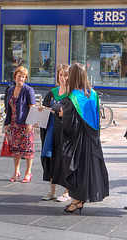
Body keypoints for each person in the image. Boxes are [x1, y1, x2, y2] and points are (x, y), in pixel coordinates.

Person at [54, 63, 109, 212]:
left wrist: (61, 114)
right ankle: (80, 199)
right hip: (92, 140)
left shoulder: (73, 97)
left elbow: (70, 125)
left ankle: (77, 201)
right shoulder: (93, 94)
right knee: (88, 170)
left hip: (78, 141)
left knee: (77, 169)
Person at [39, 64, 71, 202]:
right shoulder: (52, 93)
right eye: (60, 75)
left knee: (65, 160)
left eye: (65, 75)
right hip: (51, 131)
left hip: (64, 133)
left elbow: (72, 114)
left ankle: (67, 192)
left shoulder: (72, 94)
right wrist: (42, 110)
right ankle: (52, 191)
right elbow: (46, 110)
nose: (62, 78)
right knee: (50, 159)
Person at [4, 66, 36, 183]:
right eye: (19, 76)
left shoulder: (28, 90)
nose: (21, 79)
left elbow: (32, 108)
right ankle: (16, 171)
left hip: (25, 124)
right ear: (15, 76)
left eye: (23, 77)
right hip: (14, 124)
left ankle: (28, 172)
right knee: (15, 149)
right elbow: (9, 108)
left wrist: (30, 124)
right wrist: (7, 123)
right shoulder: (10, 90)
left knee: (28, 149)